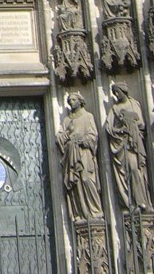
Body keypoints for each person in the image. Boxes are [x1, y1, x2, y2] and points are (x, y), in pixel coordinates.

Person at [57, 92, 101, 220]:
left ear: (80, 101)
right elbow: (60, 136)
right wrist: (66, 134)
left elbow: (93, 136)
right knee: (76, 184)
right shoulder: (67, 120)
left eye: (73, 99)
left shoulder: (88, 116)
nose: (71, 102)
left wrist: (82, 140)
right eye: (69, 100)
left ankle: (95, 212)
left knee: (86, 179)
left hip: (84, 154)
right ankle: (80, 213)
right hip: (71, 155)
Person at [106, 82, 150, 210]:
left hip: (134, 143)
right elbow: (109, 128)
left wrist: (132, 125)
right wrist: (121, 130)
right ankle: (133, 202)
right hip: (123, 144)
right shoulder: (114, 109)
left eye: (117, 92)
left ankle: (142, 200)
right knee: (129, 170)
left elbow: (142, 124)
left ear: (123, 91)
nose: (116, 94)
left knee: (136, 169)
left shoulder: (134, 104)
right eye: (114, 93)